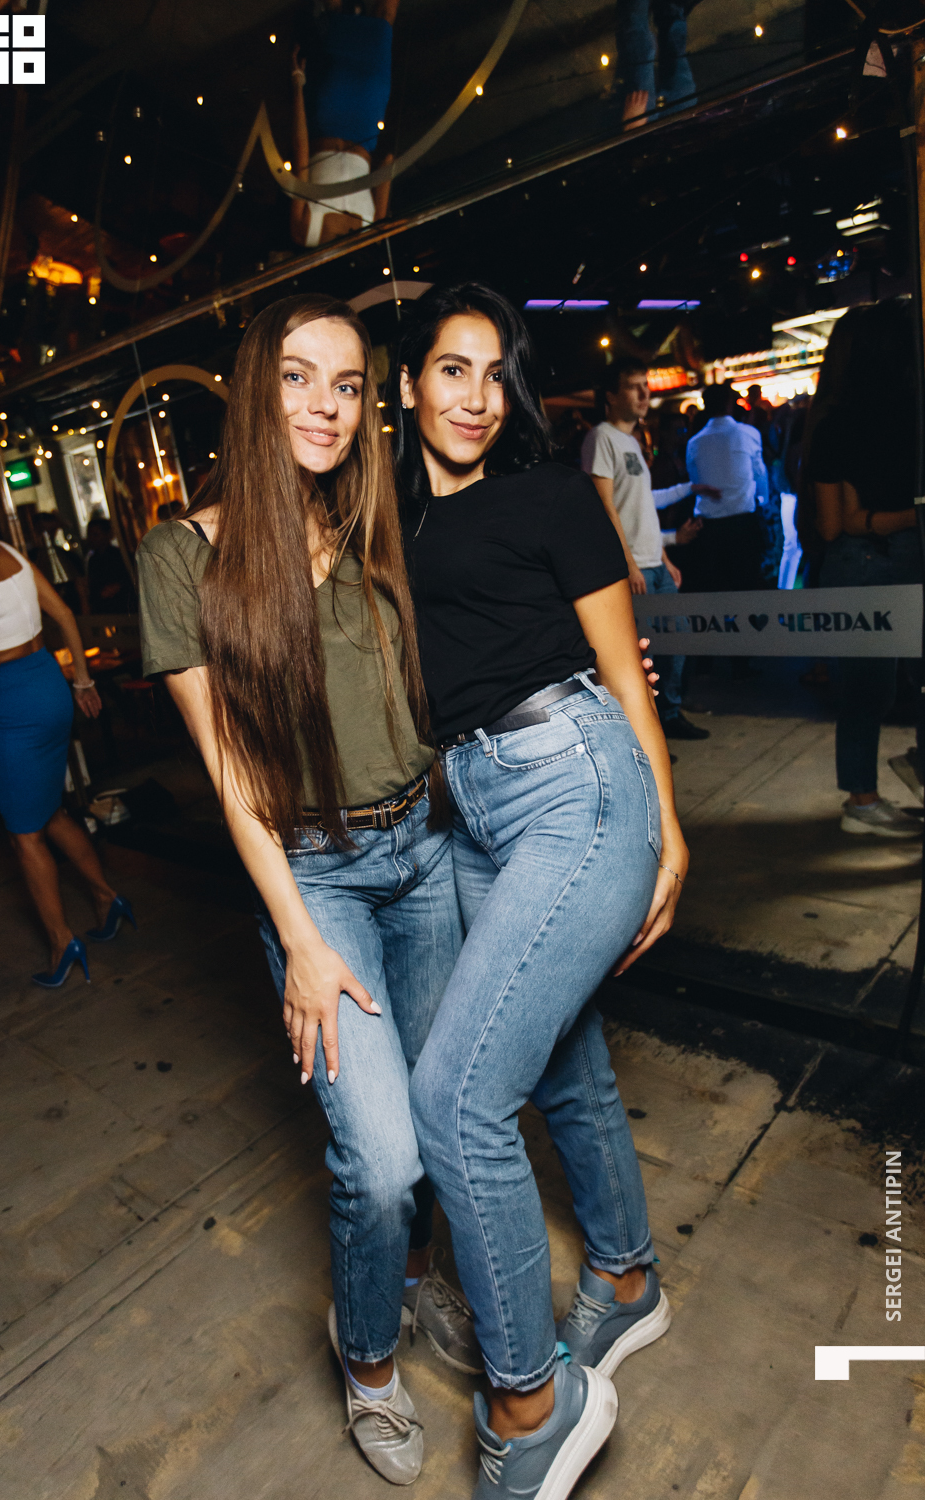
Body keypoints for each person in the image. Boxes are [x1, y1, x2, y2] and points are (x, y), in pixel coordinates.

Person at [136, 293, 479, 1487]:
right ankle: (368, 1356)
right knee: (378, 1160)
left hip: (428, 850)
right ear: (252, 389)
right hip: (316, 876)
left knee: (443, 1123)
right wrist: (299, 942)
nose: (325, 406)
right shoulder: (184, 557)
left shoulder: (382, 524)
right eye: (296, 377)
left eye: (345, 384)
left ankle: (422, 1279)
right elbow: (233, 777)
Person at [392, 284, 689, 1500]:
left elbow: (624, 671)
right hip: (466, 802)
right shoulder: (381, 521)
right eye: (449, 369)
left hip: (573, 775)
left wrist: (666, 828)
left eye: (493, 373)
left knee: (456, 1098)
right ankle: (623, 1275)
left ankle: (532, 1403)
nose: (475, 397)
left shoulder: (554, 495)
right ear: (406, 383)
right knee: (560, 1063)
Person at [0, 476, 136, 987]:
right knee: (50, 812)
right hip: (49, 685)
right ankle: (107, 897)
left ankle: (62, 942)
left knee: (24, 836)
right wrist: (82, 679)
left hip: (13, 704)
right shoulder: (9, 552)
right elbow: (63, 612)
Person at [799, 302, 922, 837]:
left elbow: (832, 526)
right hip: (907, 558)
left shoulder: (834, 425)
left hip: (861, 564)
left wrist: (871, 518)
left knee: (865, 693)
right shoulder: (914, 417)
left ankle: (863, 799)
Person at [581, 357, 713, 741]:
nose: (644, 393)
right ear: (611, 396)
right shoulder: (601, 437)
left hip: (653, 564)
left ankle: (668, 715)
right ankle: (647, 729)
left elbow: (640, 506)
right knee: (643, 655)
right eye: (633, 386)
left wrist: (665, 555)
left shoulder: (633, 441)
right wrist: (628, 564)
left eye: (646, 385)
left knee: (677, 642)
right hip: (631, 569)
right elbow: (604, 506)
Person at [288, 1, 398, 248]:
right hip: (360, 122)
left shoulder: (304, 232)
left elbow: (300, 152)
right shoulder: (371, 235)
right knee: (380, 26)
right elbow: (388, 162)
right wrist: (297, 83)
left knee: (368, 22)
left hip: (339, 121)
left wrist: (298, 84)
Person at [683, 381, 768, 591]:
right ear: (730, 403)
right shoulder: (748, 433)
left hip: (709, 527)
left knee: (717, 590)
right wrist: (763, 501)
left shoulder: (694, 443)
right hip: (743, 522)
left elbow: (695, 481)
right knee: (747, 586)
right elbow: (760, 474)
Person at [616, 0, 698, 128]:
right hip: (678, 131)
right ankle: (670, 10)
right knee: (685, 91)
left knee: (643, 57)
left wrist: (630, 130)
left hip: (643, 135)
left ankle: (634, 10)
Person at [85, 513, 137, 614]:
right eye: (90, 535)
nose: (92, 539)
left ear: (108, 535)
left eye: (96, 535)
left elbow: (132, 579)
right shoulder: (93, 559)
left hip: (123, 608)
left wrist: (118, 586)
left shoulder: (121, 556)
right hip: (103, 610)